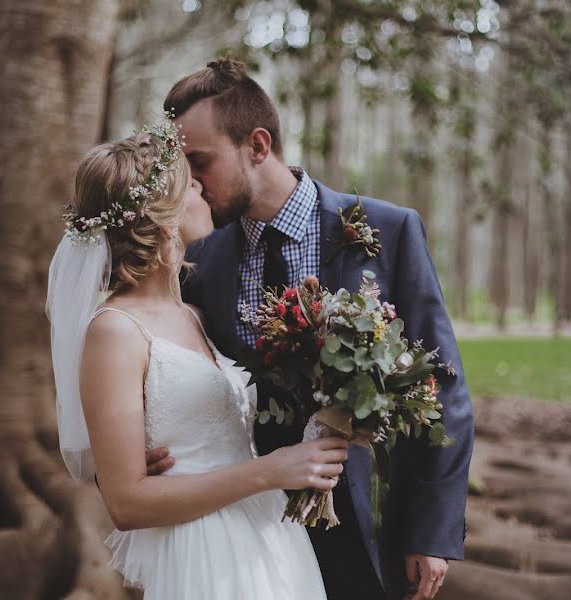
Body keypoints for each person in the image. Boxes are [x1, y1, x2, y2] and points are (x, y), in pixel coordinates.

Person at [149, 59, 475, 600]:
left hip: (373, 526)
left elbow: (443, 386)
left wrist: (431, 531)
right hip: (250, 530)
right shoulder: (201, 262)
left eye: (198, 162)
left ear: (257, 146)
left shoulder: (386, 231)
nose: (190, 182)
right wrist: (150, 445)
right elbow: (177, 371)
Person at [46, 119, 343, 599]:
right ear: (161, 216)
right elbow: (125, 503)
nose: (202, 186)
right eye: (190, 182)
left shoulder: (194, 313)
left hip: (267, 537)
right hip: (201, 552)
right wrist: (272, 470)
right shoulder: (115, 331)